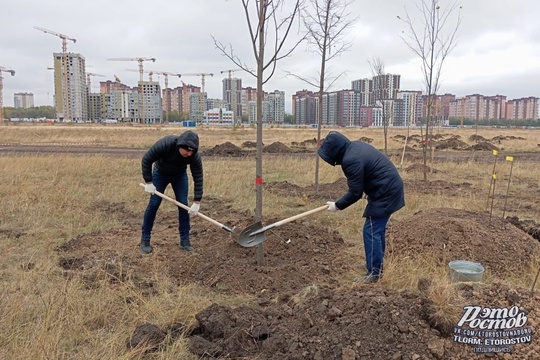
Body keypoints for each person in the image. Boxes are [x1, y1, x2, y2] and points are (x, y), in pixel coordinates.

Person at [318, 131, 404, 283]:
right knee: (376, 230)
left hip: (386, 193)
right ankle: (375, 265)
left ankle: (374, 273)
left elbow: (355, 193)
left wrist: (337, 205)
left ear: (335, 152)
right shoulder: (355, 147)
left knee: (371, 230)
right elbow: (368, 174)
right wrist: (368, 189)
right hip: (388, 188)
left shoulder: (350, 160)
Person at [140, 130, 203, 254]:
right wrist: (148, 182)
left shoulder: (194, 155)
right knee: (154, 204)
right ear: (180, 146)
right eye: (187, 150)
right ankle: (145, 239)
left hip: (179, 175)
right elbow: (146, 159)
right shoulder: (166, 144)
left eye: (192, 151)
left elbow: (198, 176)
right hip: (160, 173)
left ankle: (184, 240)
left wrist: (197, 201)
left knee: (183, 205)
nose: (190, 154)